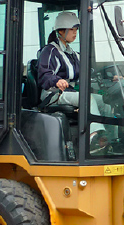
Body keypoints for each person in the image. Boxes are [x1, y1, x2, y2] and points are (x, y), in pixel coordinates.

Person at [37, 11, 108, 141]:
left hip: (69, 93)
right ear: (61, 31)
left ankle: (110, 139)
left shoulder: (73, 54)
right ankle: (93, 139)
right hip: (53, 94)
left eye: (76, 30)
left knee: (105, 102)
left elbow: (88, 71)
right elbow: (44, 75)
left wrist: (110, 76)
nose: (75, 33)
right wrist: (57, 80)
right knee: (88, 99)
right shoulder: (49, 51)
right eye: (71, 30)